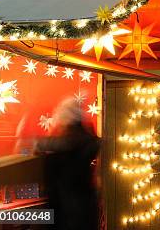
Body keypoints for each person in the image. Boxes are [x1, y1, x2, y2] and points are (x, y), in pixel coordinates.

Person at [34, 98, 100, 230]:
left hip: (66, 213)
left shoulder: (61, 147)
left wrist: (38, 144)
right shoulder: (87, 141)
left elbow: (65, 145)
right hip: (84, 210)